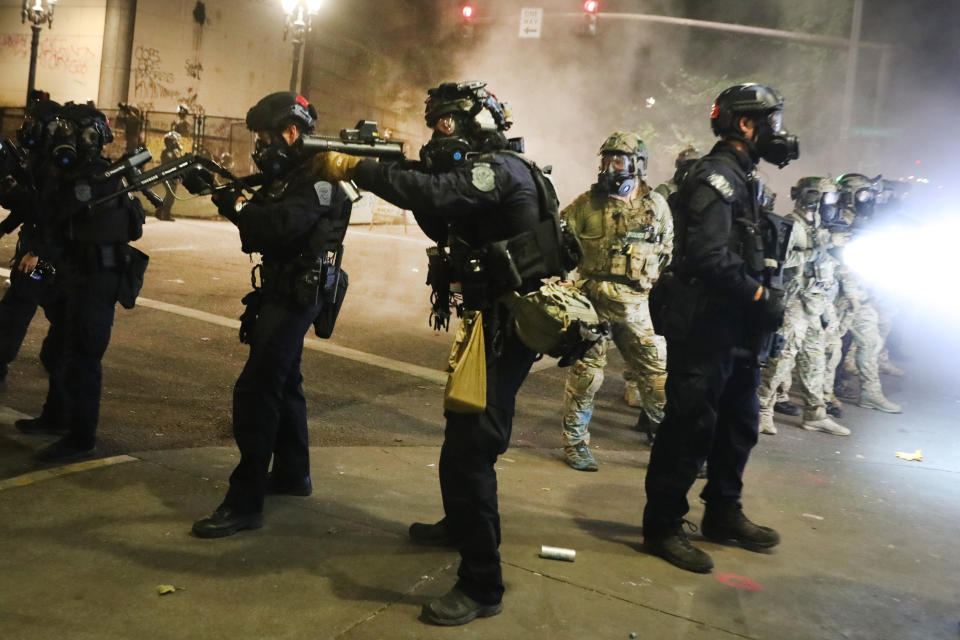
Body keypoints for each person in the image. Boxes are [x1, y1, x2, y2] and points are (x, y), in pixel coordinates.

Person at [315, 80, 568, 626]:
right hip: (492, 322)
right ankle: (460, 526)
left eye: (443, 124)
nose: (437, 135)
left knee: (470, 450)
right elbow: (439, 212)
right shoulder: (491, 173)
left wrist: (358, 168)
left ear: (469, 124)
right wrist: (395, 168)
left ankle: (482, 583)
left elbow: (436, 197)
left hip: (508, 325)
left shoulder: (498, 169)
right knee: (461, 432)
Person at [644, 83, 798, 573]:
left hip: (738, 333)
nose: (777, 131)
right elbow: (710, 257)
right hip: (708, 328)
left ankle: (723, 513)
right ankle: (664, 525)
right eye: (769, 121)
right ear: (745, 125)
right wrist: (757, 295)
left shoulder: (745, 179)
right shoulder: (716, 178)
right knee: (689, 428)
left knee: (739, 426)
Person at [191, 92, 353, 538]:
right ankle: (292, 474)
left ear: (291, 131)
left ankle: (243, 503)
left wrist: (233, 205)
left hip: (298, 296)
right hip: (281, 290)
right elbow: (259, 222)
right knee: (286, 384)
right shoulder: (290, 176)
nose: (260, 147)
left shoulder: (319, 179)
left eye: (265, 136)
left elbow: (278, 225)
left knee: (256, 391)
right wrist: (223, 191)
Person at [13, 102, 146, 463]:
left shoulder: (97, 179)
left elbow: (53, 214)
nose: (60, 136)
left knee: (83, 358)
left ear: (87, 137)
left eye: (68, 130)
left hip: (95, 280)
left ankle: (80, 437)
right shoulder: (79, 175)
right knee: (59, 351)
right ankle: (57, 418)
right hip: (76, 276)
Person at [558, 132, 672, 470]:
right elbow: (559, 244)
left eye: (618, 160)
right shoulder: (586, 205)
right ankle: (575, 444)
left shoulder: (656, 207)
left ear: (637, 165)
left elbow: (667, 249)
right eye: (606, 160)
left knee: (656, 376)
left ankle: (670, 447)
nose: (610, 167)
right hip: (591, 303)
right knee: (585, 376)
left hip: (635, 306)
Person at [756, 177, 849, 436]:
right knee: (782, 360)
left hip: (816, 302)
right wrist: (818, 249)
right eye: (827, 197)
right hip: (794, 301)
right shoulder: (791, 225)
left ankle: (815, 413)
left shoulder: (820, 225)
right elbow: (778, 260)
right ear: (812, 197)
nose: (832, 204)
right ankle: (762, 409)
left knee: (814, 359)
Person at [0, 99, 60, 392]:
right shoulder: (38, 158)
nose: (26, 125)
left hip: (44, 253)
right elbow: (30, 206)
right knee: (56, 310)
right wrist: (4, 228)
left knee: (17, 308)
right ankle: (55, 359)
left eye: (32, 120)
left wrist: (36, 251)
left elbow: (51, 211)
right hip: (41, 248)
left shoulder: (55, 164)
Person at [833, 173, 901, 413]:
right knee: (824, 351)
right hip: (836, 298)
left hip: (860, 296)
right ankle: (818, 397)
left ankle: (870, 393)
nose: (868, 199)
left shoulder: (864, 222)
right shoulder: (835, 220)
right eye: (863, 194)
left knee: (870, 342)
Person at [154, 131, 183, 221]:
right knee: (170, 195)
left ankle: (159, 212)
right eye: (174, 141)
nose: (176, 143)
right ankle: (165, 214)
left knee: (170, 195)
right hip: (167, 176)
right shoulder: (166, 152)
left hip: (172, 176)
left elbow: (178, 163)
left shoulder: (174, 152)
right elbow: (170, 164)